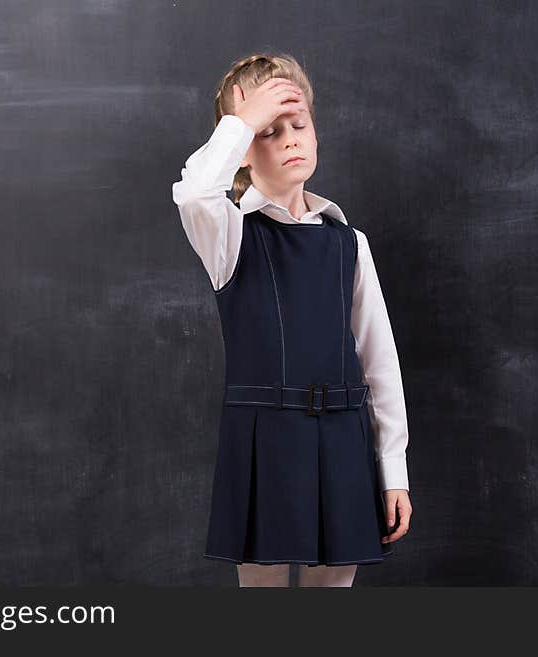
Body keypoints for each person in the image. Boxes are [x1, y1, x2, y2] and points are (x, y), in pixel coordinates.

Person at [172, 52, 412, 587]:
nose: (288, 140)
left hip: (344, 439)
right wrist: (240, 122)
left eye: (298, 125)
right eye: (267, 131)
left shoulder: (350, 243)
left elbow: (380, 362)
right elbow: (193, 192)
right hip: (265, 439)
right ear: (239, 149)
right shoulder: (228, 236)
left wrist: (392, 469)